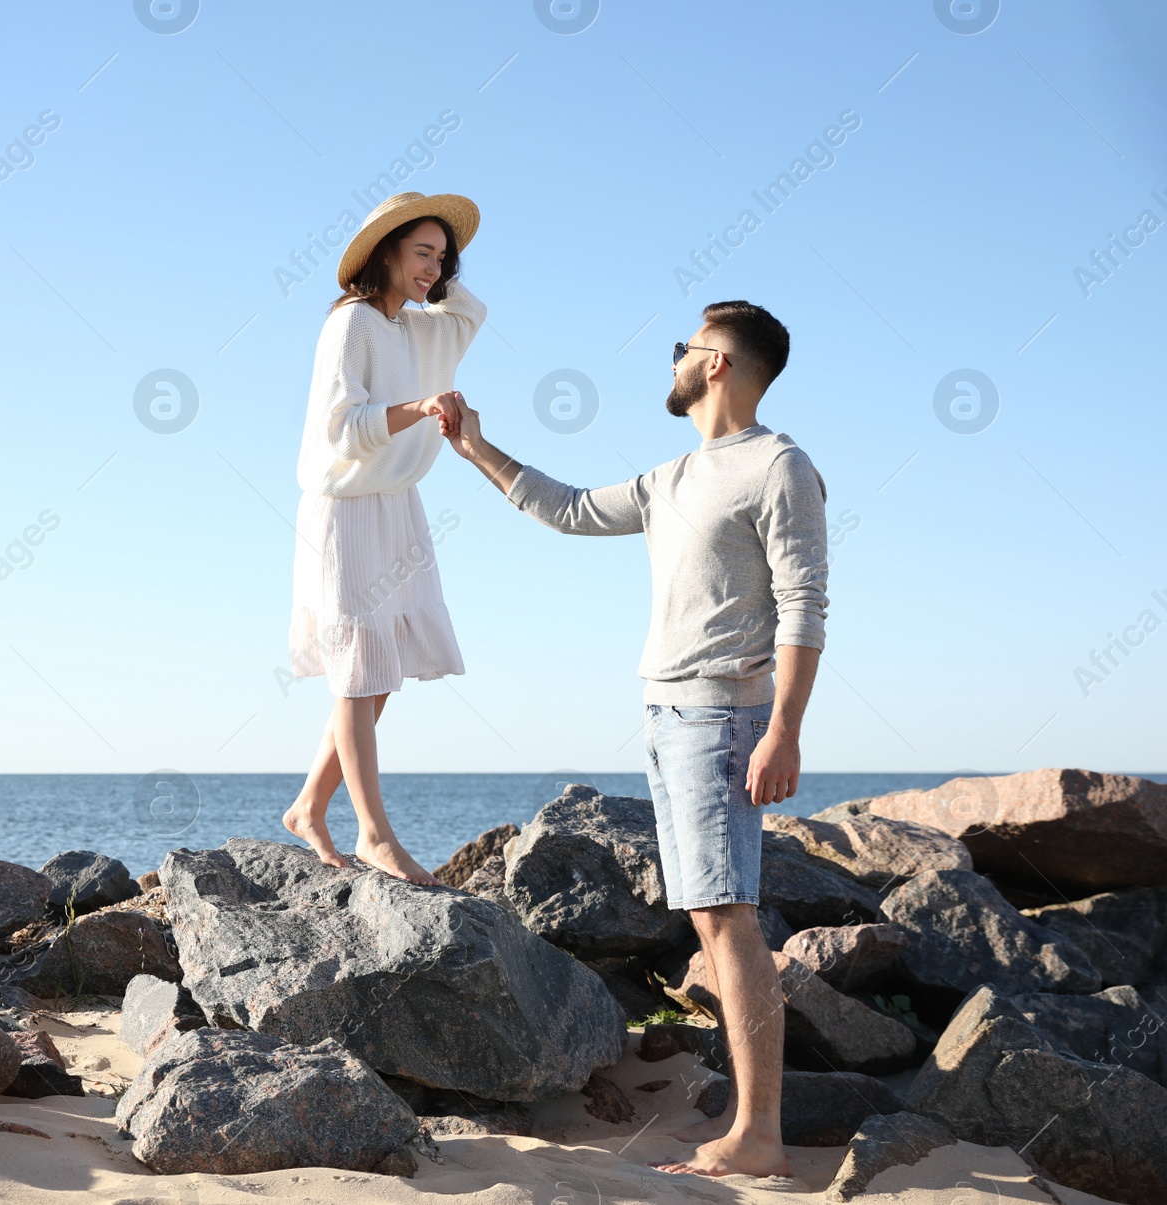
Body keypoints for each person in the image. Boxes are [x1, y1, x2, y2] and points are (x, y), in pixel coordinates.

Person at [444, 301, 828, 1179]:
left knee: (728, 920)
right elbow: (571, 508)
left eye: (682, 349)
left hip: (725, 719)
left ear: (718, 362)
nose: (673, 363)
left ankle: (759, 1131)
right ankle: (752, 1122)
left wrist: (785, 730)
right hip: (666, 716)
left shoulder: (778, 466)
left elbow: (806, 604)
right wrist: (476, 447)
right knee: (711, 915)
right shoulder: (673, 476)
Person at [283, 191, 486, 886]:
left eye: (442, 255)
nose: (434, 268)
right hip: (346, 508)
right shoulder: (353, 323)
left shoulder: (414, 330)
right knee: (359, 668)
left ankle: (310, 805)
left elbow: (467, 314)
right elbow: (343, 425)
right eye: (421, 253)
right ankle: (373, 833)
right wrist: (419, 407)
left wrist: (439, 280)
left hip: (398, 506)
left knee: (384, 668)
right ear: (386, 252)